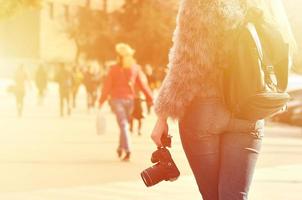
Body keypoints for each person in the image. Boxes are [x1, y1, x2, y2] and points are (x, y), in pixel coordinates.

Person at [150, 1, 296, 200]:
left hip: (205, 110)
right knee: (235, 197)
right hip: (248, 108)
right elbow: (282, 52)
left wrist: (162, 116)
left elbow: (186, 62)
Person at [99, 43, 153, 161]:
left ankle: (128, 149)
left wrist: (101, 100)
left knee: (123, 124)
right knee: (124, 125)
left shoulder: (113, 69)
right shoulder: (135, 68)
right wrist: (150, 98)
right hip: (130, 101)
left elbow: (107, 86)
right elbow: (143, 85)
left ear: (119, 56)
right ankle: (120, 147)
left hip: (117, 100)